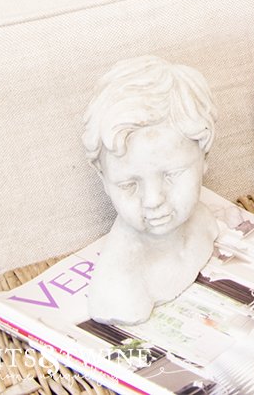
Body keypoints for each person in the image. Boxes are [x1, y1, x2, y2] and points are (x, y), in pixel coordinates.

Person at [81, 57, 218, 326]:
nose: (154, 200)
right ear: (104, 179)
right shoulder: (119, 289)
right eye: (129, 185)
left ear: (205, 156)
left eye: (171, 175)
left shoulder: (203, 223)